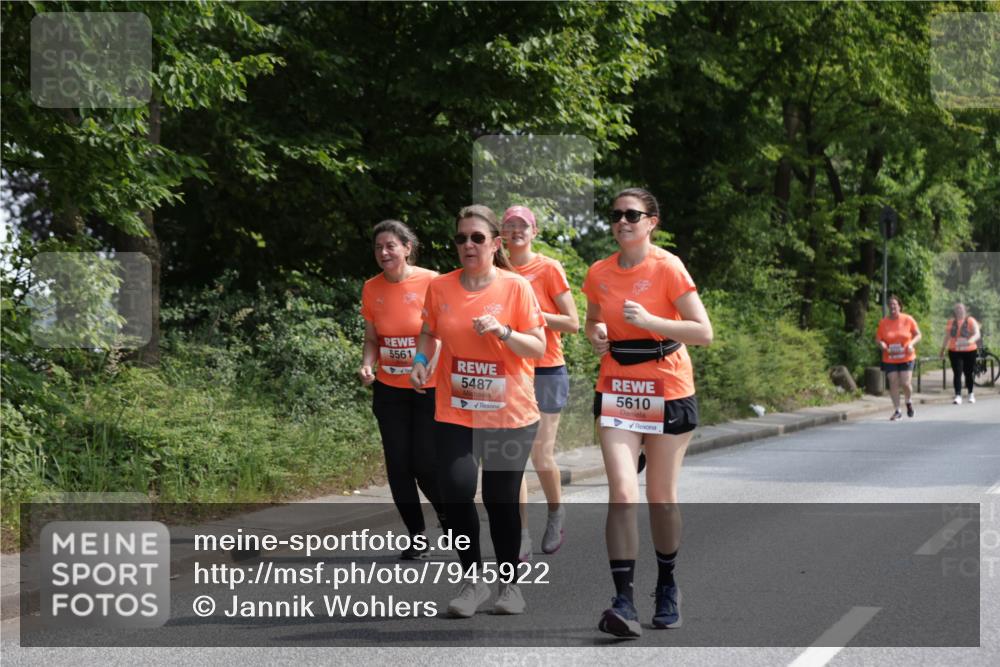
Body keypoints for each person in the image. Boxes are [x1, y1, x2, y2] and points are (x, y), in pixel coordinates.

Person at [582, 188, 713, 637]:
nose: (622, 221)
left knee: (660, 497)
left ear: (651, 221)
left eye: (632, 215)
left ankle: (667, 584)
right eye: (616, 214)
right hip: (618, 383)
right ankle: (623, 599)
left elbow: (703, 331)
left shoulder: (668, 266)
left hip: (667, 385)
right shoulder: (598, 272)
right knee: (622, 493)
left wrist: (653, 323)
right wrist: (597, 333)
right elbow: (593, 320)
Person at [410, 205, 546, 617]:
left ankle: (509, 586)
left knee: (500, 497)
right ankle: (473, 581)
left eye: (477, 238)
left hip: (510, 413)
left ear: (495, 244)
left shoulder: (515, 287)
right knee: (454, 492)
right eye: (460, 238)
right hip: (456, 409)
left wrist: (504, 332)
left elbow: (537, 347)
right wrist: (420, 360)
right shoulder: (441, 287)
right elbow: (429, 332)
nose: (467, 245)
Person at [360, 220, 448, 559]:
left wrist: (425, 364)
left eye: (390, 246)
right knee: (398, 464)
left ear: (407, 248)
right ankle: (417, 536)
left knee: (425, 462)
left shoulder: (432, 281)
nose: (384, 252)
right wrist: (368, 364)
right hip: (389, 389)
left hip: (428, 387)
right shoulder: (371, 288)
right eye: (379, 247)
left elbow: (440, 332)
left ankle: (445, 513)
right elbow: (372, 339)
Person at [500, 205, 580, 560]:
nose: (516, 230)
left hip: (546, 369)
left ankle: (555, 512)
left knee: (541, 453)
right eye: (509, 225)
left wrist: (532, 312)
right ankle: (521, 535)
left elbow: (573, 322)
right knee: (513, 458)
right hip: (508, 371)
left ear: (533, 232)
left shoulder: (548, 268)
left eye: (523, 225)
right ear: (501, 233)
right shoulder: (495, 269)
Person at [875, 294, 922, 421]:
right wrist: (882, 345)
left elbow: (918, 335)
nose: (892, 307)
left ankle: (908, 401)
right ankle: (897, 410)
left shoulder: (908, 319)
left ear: (900, 306)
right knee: (893, 381)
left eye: (894, 305)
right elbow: (878, 339)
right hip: (890, 357)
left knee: (905, 383)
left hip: (906, 356)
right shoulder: (883, 322)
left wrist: (911, 344)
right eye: (890, 305)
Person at [939, 302, 981, 405]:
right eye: (957, 309)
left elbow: (977, 334)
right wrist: (942, 349)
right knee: (957, 373)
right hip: (954, 351)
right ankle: (958, 395)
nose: (959, 311)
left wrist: (970, 341)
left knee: (968, 372)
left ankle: (971, 393)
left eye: (961, 309)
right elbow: (947, 337)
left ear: (965, 310)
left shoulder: (970, 320)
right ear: (955, 311)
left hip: (969, 350)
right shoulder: (951, 322)